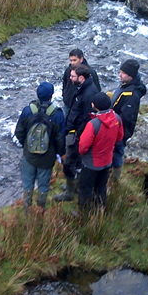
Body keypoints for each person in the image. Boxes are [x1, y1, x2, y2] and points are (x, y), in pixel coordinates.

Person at [15, 82, 65, 213]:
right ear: (51, 96)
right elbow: (60, 139)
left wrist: (25, 145)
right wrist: (59, 153)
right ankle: (40, 210)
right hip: (47, 158)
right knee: (43, 185)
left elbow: (18, 132)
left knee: (28, 183)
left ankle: (27, 210)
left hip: (29, 155)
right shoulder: (57, 114)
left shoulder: (27, 110)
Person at [54, 65, 98, 202]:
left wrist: (77, 135)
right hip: (75, 131)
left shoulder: (89, 93)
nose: (70, 78)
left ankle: (69, 192)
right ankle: (74, 185)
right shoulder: (82, 88)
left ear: (81, 78)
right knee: (77, 162)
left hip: (78, 135)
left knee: (69, 163)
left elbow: (87, 117)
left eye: (72, 76)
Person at [78, 92, 124, 207]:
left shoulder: (93, 124)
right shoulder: (117, 118)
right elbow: (120, 137)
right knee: (101, 188)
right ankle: (100, 210)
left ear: (94, 105)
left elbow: (83, 147)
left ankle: (85, 214)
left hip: (91, 163)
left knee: (85, 189)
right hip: (107, 161)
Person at [110, 59, 147, 182]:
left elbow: (126, 118)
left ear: (130, 75)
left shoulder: (131, 95)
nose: (119, 74)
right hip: (115, 127)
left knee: (118, 152)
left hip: (120, 131)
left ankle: (115, 177)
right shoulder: (126, 84)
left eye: (123, 73)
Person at [62, 48, 101, 112]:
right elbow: (64, 83)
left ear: (81, 59)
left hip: (81, 107)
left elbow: (97, 89)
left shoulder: (90, 72)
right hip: (68, 104)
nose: (72, 63)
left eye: (74, 60)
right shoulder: (68, 70)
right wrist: (65, 96)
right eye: (71, 60)